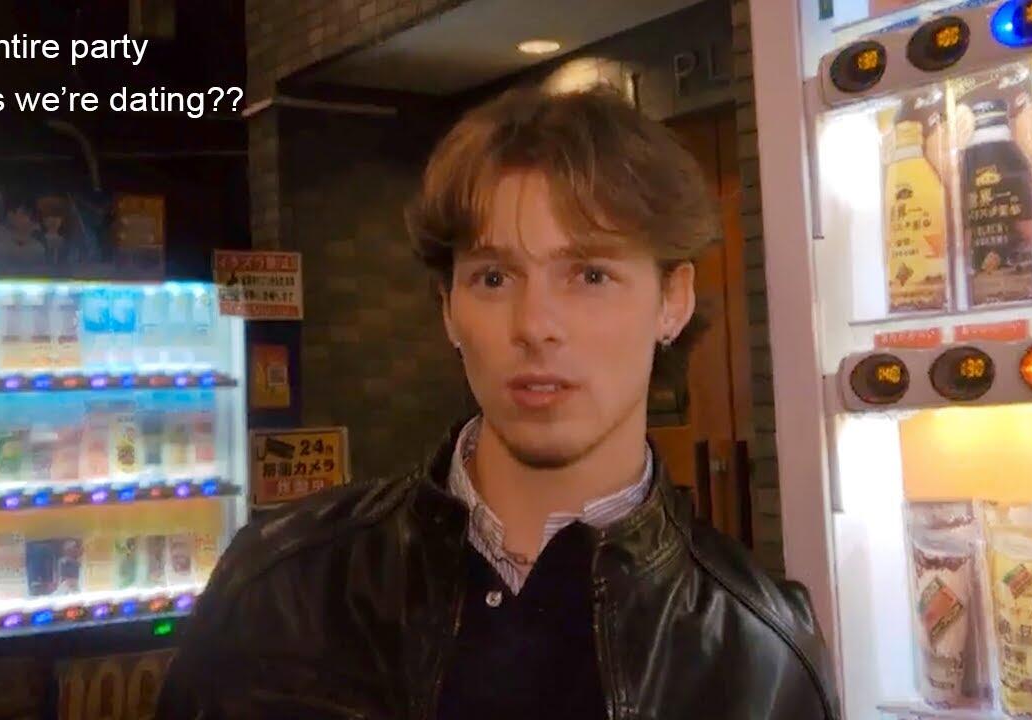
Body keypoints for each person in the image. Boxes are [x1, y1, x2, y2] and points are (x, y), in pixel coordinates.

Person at [157, 85, 838, 720]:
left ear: (674, 300)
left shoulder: (758, 648)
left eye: (590, 275)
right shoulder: (283, 588)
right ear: (448, 309)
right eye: (492, 277)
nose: (535, 324)